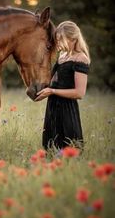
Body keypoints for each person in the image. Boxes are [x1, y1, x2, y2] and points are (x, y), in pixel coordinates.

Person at [35, 21, 90, 150]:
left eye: (61, 39)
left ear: (73, 38)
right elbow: (55, 81)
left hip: (67, 109)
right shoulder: (62, 55)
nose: (58, 43)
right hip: (52, 107)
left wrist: (52, 91)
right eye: (57, 39)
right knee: (50, 149)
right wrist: (41, 89)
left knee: (68, 148)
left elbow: (79, 93)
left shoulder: (81, 58)